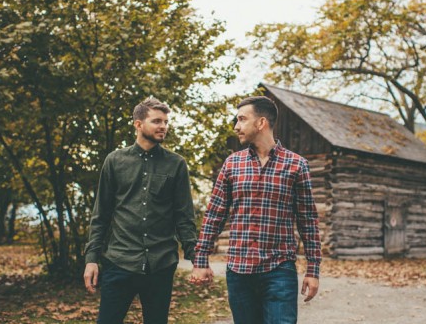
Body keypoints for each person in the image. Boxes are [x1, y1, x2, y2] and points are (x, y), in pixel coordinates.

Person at [191, 96, 322, 324]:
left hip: (279, 270)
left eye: (242, 119)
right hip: (239, 272)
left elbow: (308, 220)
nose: (236, 126)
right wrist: (201, 260)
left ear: (261, 123)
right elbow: (214, 214)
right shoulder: (232, 163)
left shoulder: (296, 165)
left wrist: (313, 269)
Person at [83, 97, 197, 324]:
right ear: (138, 124)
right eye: (156, 121)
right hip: (120, 261)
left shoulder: (176, 164)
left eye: (165, 121)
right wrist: (91, 258)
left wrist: (197, 259)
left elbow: (184, 216)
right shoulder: (115, 161)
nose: (163, 126)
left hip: (161, 264)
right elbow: (101, 215)